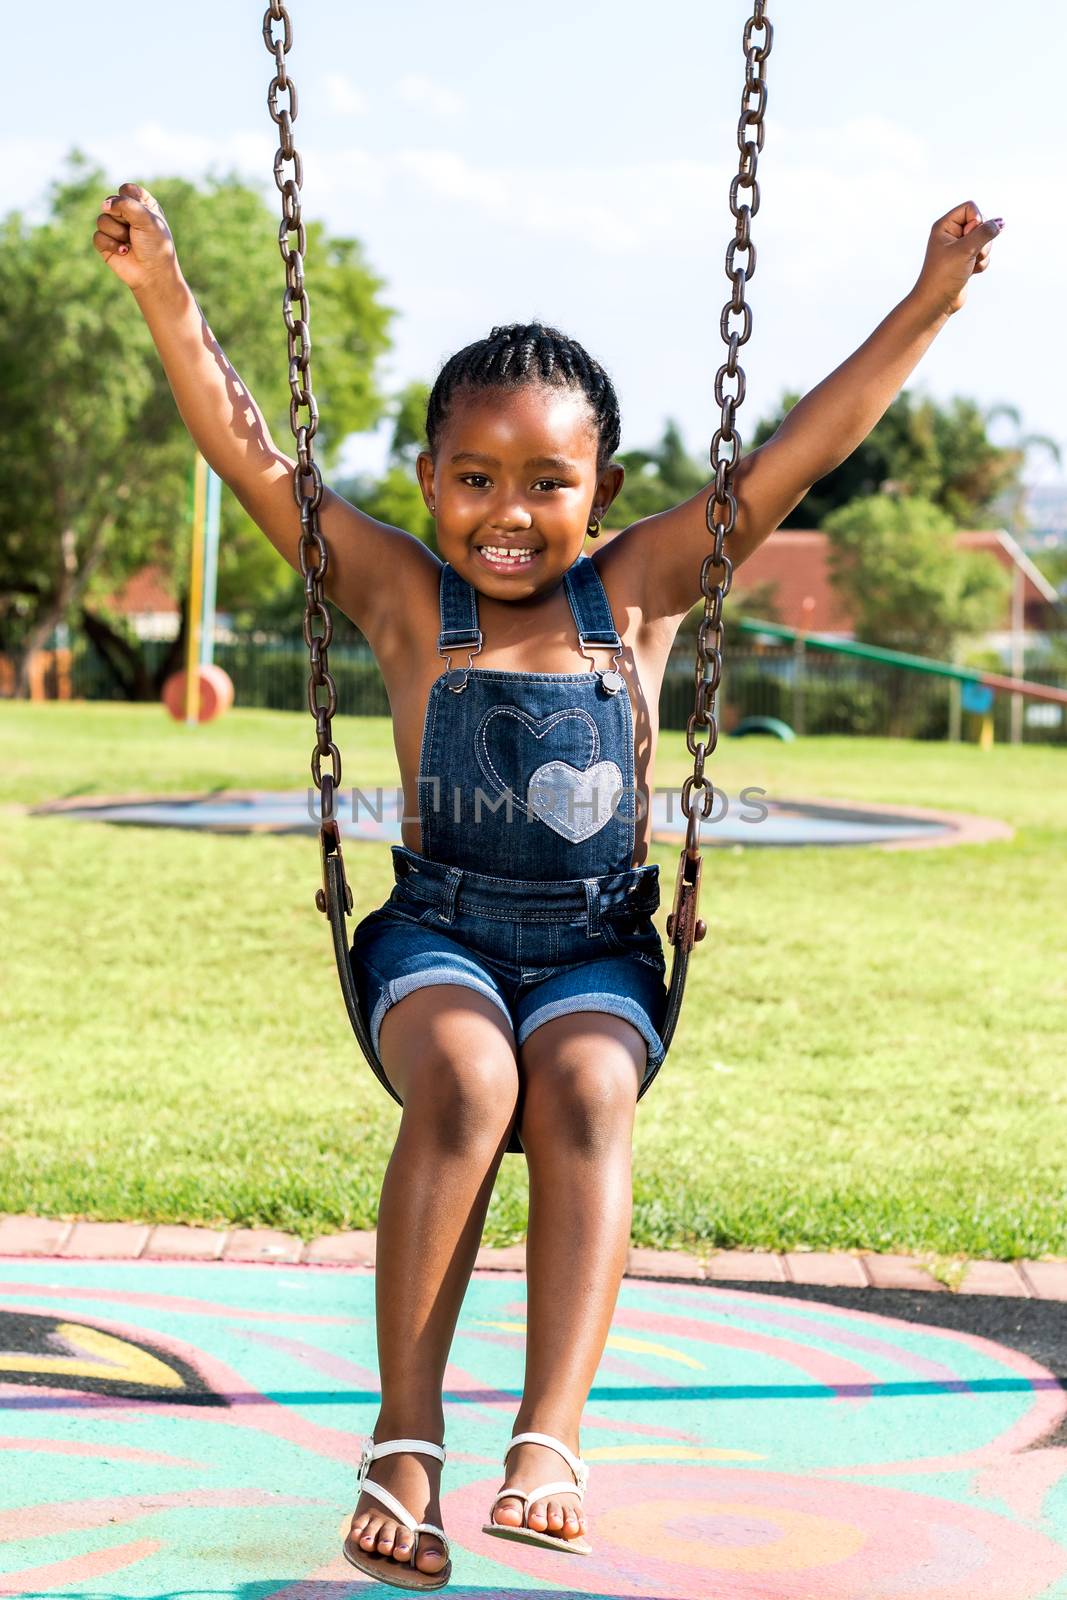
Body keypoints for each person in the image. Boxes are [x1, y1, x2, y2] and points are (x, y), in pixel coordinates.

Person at [94, 184, 1001, 1589]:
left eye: (546, 483)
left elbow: (798, 457)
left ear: (603, 492)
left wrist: (929, 305)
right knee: (468, 1084)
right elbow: (250, 451)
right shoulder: (396, 592)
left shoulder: (641, 588)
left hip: (595, 949)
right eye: (475, 478)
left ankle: (546, 1440)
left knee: (580, 1085)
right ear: (429, 481)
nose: (508, 514)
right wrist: (164, 290)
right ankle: (405, 1439)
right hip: (438, 935)